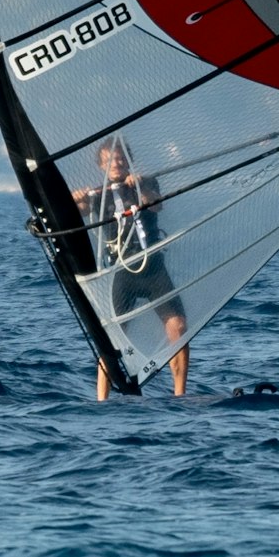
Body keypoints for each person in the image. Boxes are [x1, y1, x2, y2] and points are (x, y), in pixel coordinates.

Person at [80, 137, 188, 399]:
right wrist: (77, 199)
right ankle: (101, 399)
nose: (117, 163)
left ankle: (180, 395)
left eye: (121, 159)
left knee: (178, 327)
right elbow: (79, 211)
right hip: (123, 271)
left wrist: (140, 188)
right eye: (111, 160)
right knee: (113, 338)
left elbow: (156, 202)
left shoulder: (146, 183)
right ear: (102, 166)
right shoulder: (99, 194)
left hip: (153, 268)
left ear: (129, 162)